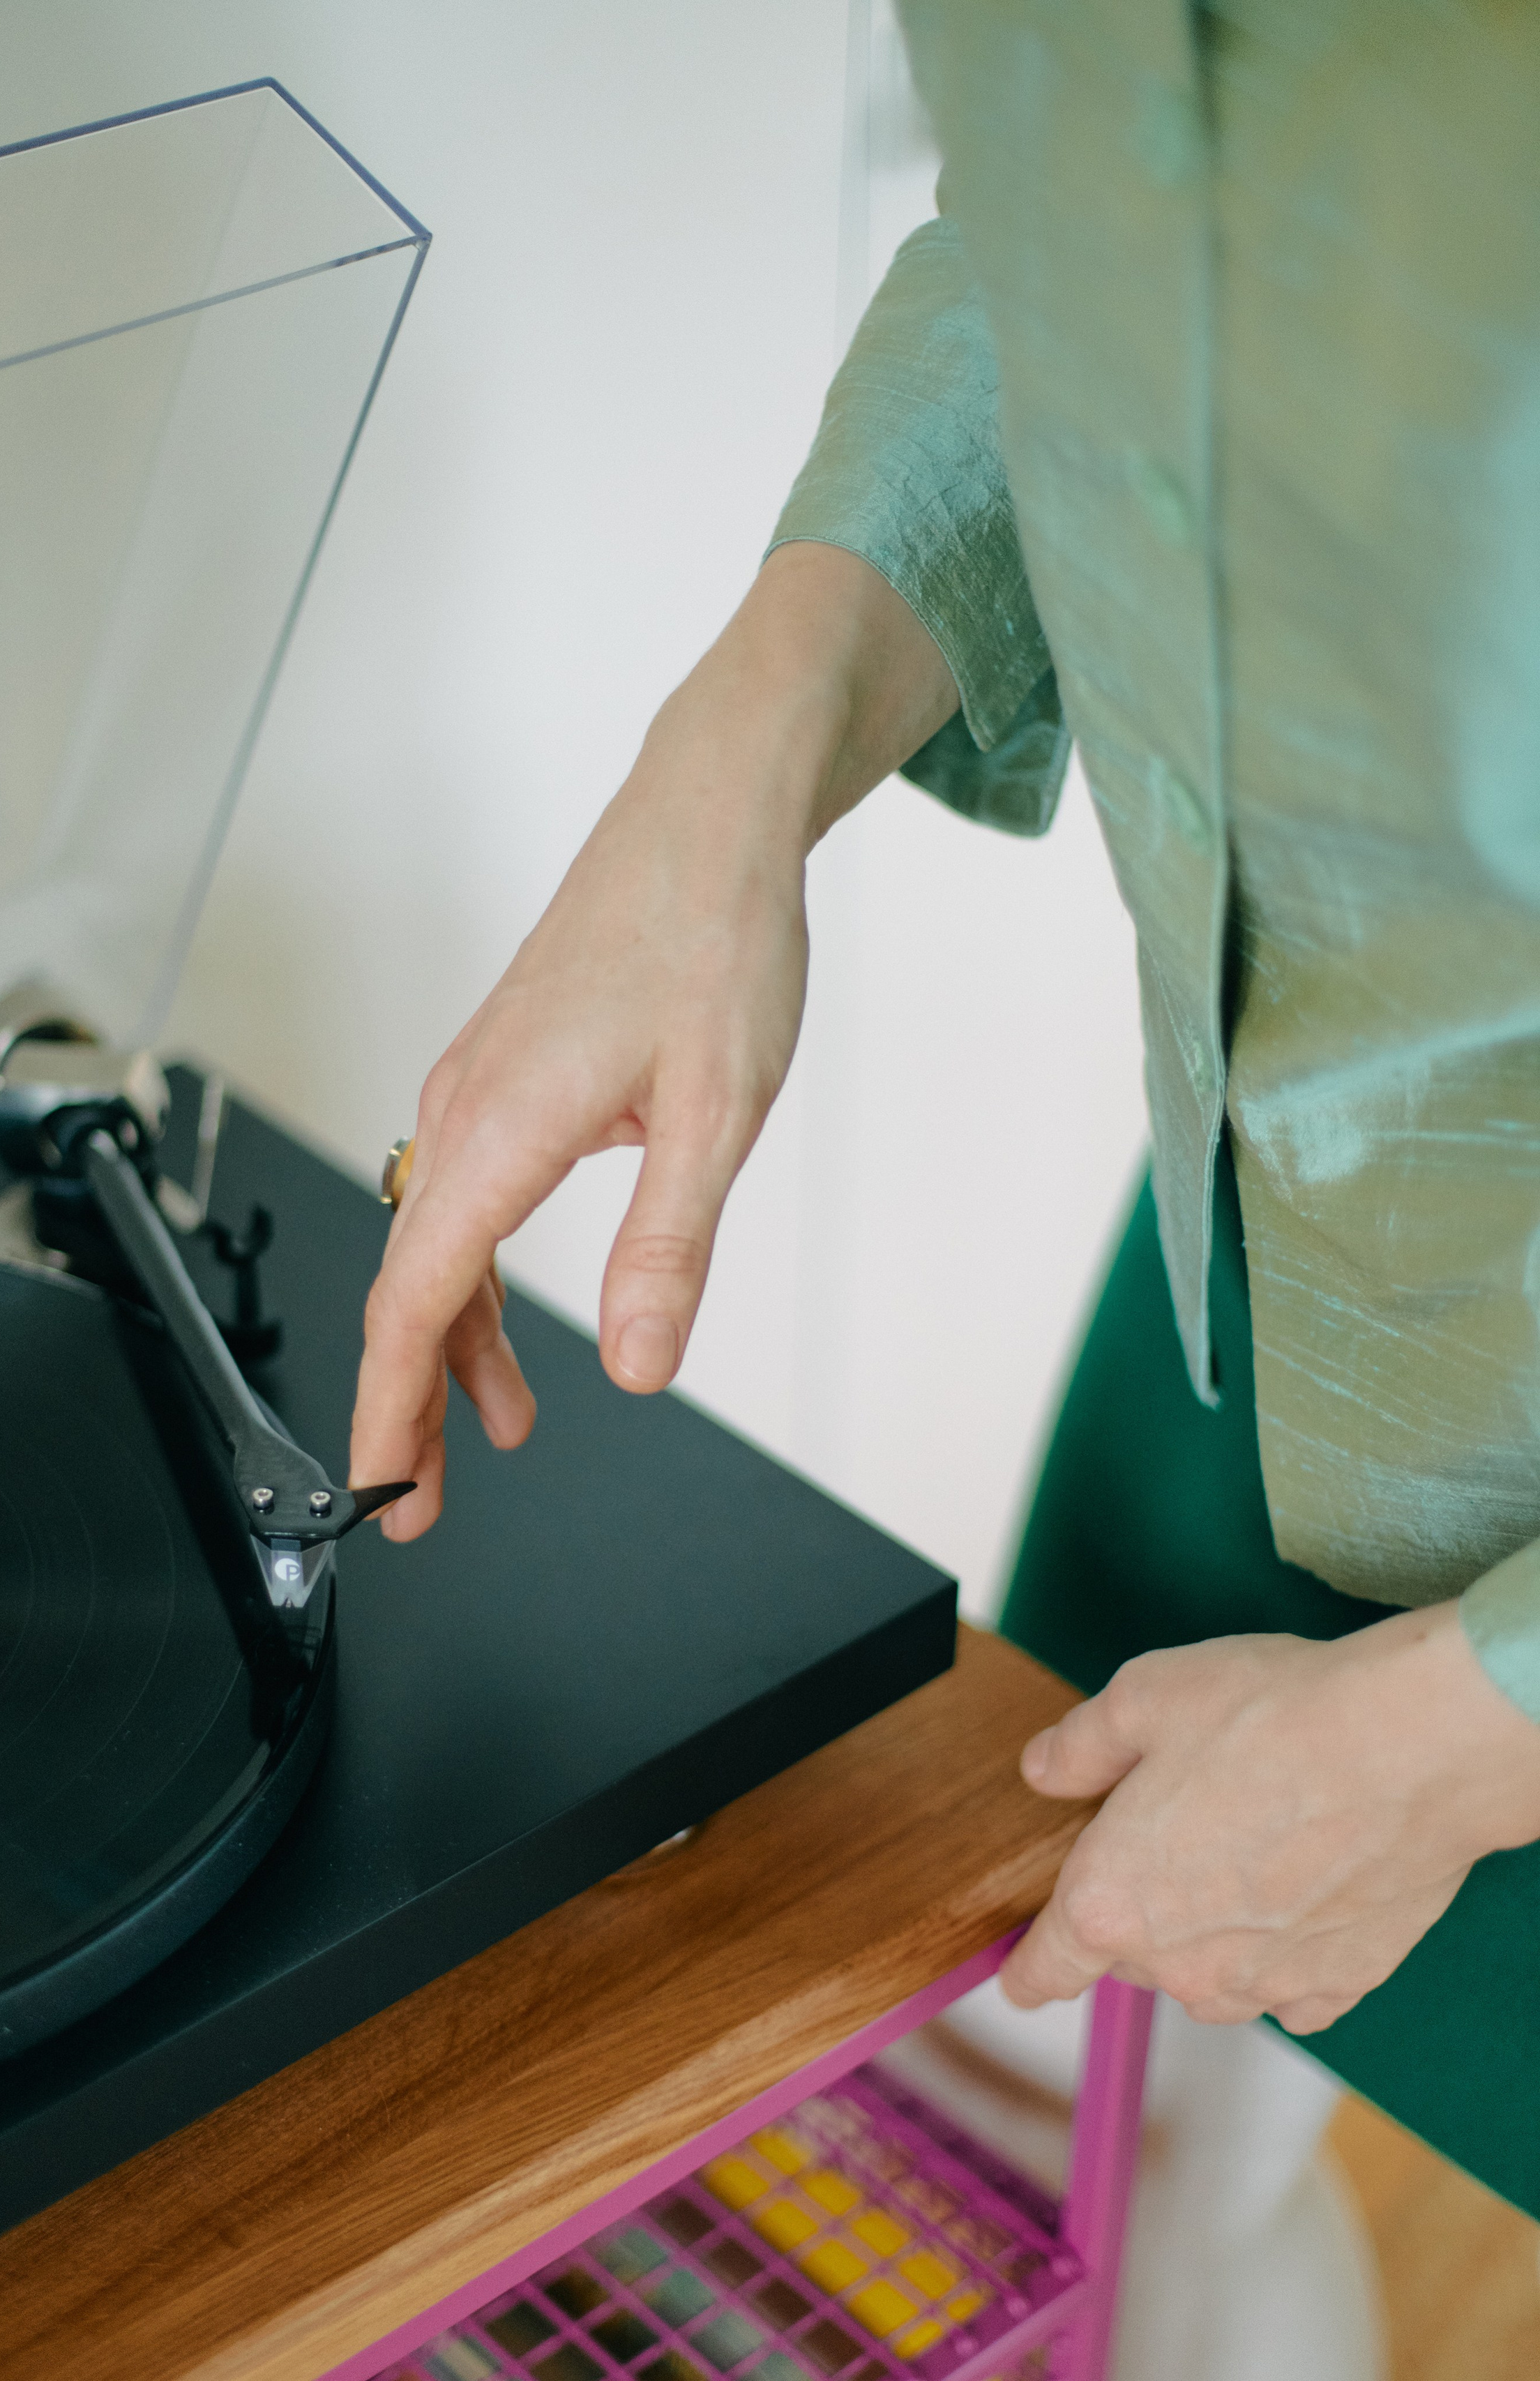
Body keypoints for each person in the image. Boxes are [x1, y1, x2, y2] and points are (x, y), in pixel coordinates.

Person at [349, 0, 1540, 2211]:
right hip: (1281, 1242)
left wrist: (1459, 1737)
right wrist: (742, 745)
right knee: (1142, 2100)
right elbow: (1106, 239)